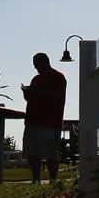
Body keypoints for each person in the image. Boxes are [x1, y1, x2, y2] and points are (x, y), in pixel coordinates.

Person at [20, 52, 67, 182]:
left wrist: (35, 91)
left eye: (37, 65)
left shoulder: (58, 77)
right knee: (32, 153)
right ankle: (36, 180)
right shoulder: (36, 79)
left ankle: (52, 180)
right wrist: (26, 92)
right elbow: (29, 99)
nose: (36, 68)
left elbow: (56, 96)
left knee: (51, 154)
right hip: (32, 120)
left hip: (50, 122)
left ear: (44, 62)